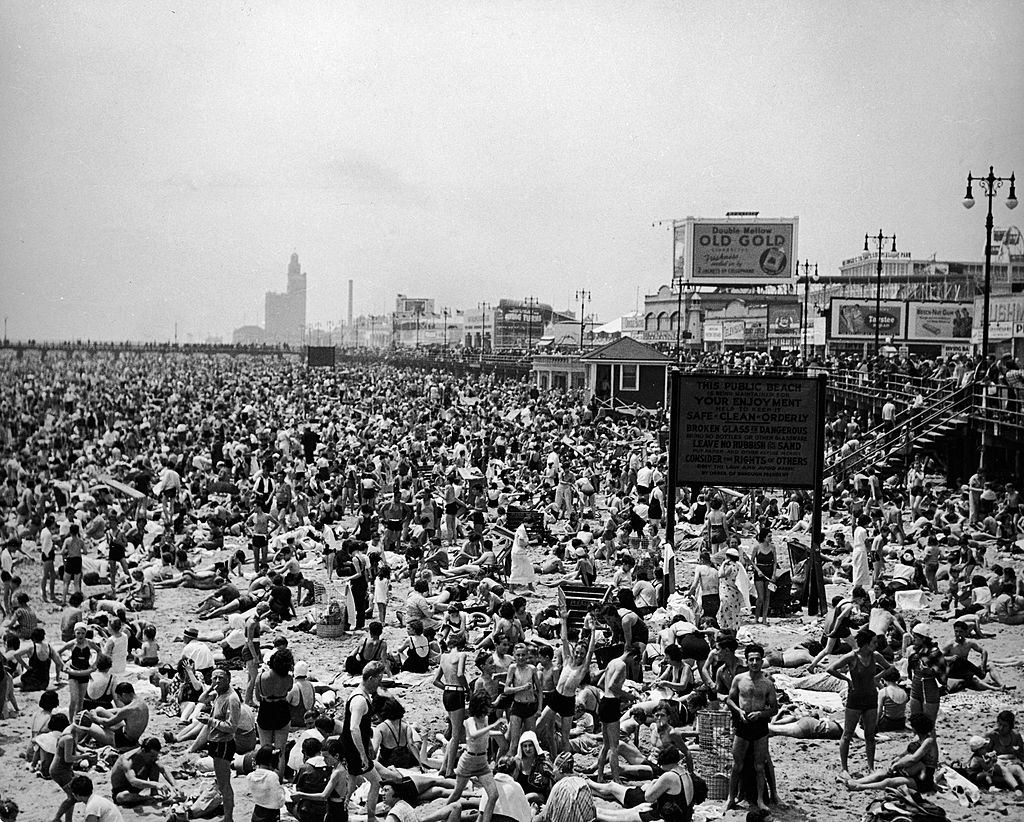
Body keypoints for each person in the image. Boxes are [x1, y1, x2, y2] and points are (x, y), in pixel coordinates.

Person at [826, 627, 895, 776]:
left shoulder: (875, 656)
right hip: (855, 699)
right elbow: (831, 669)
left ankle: (871, 767)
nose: (876, 645)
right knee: (847, 734)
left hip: (870, 698)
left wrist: (877, 678)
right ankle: (844, 768)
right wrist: (847, 680)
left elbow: (889, 668)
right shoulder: (852, 656)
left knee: (870, 735)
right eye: (874, 642)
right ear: (866, 643)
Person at [724, 644, 778, 813]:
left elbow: (774, 708)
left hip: (759, 726)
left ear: (762, 661)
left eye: (757, 659)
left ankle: (760, 800)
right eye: (751, 659)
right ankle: (731, 798)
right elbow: (729, 699)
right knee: (737, 765)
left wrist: (761, 714)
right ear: (746, 661)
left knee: (759, 766)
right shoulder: (739, 679)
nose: (754, 662)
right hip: (743, 724)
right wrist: (739, 710)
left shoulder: (767, 683)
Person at [445, 690, 505, 822]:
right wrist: (493, 726)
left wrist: (498, 732)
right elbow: (473, 734)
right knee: (457, 793)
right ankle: (443, 814)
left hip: (482, 762)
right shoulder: (470, 721)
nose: (490, 708)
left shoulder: (486, 719)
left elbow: (484, 735)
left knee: (493, 795)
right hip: (468, 761)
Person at [844, 714, 939, 793]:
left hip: (922, 778)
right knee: (881, 773)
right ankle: (856, 781)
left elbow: (914, 758)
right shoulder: (917, 738)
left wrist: (898, 764)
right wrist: (896, 760)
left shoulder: (929, 741)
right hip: (909, 770)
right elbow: (905, 753)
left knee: (890, 782)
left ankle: (860, 787)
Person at [341, 661, 384, 822]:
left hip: (353, 745)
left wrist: (368, 745)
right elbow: (354, 728)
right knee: (376, 781)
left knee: (351, 781)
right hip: (353, 747)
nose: (380, 683)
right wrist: (362, 754)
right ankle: (371, 817)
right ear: (372, 678)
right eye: (379, 679)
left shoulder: (361, 694)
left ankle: (342, 807)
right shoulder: (359, 700)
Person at [594, 643, 641, 784]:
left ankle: (600, 776)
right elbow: (612, 686)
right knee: (614, 746)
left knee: (606, 745)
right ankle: (616, 779)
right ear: (634, 656)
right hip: (612, 704)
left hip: (604, 702)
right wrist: (628, 696)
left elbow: (601, 684)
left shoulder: (612, 662)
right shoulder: (621, 666)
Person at [204, 668, 241, 822]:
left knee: (224, 784)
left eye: (221, 678)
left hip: (223, 743)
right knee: (221, 782)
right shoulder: (219, 694)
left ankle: (228, 818)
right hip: (216, 742)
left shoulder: (231, 698)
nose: (217, 681)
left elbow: (232, 726)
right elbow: (201, 699)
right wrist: (211, 688)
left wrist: (210, 721)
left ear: (229, 679)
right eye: (214, 678)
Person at [434, 631, 470, 778]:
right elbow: (460, 674)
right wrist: (467, 689)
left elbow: (436, 681)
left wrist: (447, 687)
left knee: (453, 731)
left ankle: (443, 768)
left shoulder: (443, 657)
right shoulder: (461, 655)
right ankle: (449, 770)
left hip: (447, 693)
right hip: (457, 693)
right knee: (456, 734)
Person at [255, 648, 294, 775]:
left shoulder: (261, 677)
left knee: (265, 750)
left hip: (266, 710)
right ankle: (279, 780)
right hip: (282, 711)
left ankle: (264, 777)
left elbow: (257, 697)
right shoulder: (288, 679)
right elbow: (288, 690)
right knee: (280, 751)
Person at [109, 738, 178, 807]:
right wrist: (156, 784)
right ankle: (147, 798)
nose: (154, 757)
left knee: (155, 763)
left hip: (138, 785)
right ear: (143, 750)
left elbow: (164, 769)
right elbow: (133, 781)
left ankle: (154, 793)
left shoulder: (150, 755)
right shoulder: (127, 760)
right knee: (123, 796)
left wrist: (174, 785)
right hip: (122, 789)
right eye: (152, 755)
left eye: (156, 755)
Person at [249, 745, 287, 822]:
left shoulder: (250, 776)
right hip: (271, 815)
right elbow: (279, 800)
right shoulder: (272, 776)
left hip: (257, 811)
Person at [717, 547, 744, 632]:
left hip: (727, 593)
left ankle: (727, 632)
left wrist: (723, 564)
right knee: (734, 613)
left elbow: (720, 574)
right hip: (735, 593)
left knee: (726, 613)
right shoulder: (738, 566)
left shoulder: (730, 567)